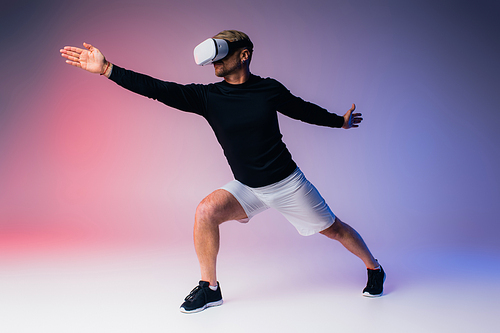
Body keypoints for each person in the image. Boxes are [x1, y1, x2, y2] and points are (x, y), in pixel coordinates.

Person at [60, 30, 385, 314]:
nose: (215, 62)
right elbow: (158, 88)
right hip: (248, 188)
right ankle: (210, 288)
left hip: (287, 185)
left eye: (223, 54)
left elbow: (303, 110)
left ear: (243, 56)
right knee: (206, 211)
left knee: (335, 230)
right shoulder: (208, 96)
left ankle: (374, 267)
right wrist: (106, 69)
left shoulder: (268, 89)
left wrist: (338, 121)